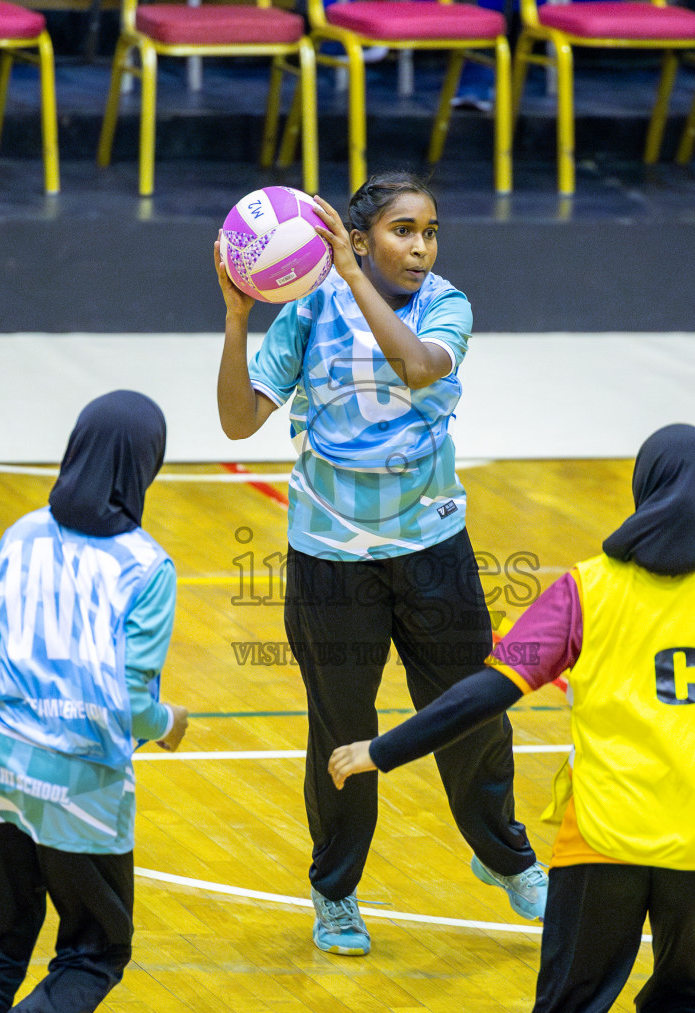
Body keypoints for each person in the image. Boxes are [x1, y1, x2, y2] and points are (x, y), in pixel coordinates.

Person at [329, 424, 695, 1013]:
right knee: (690, 1007)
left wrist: (384, 749)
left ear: (644, 487)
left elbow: (488, 692)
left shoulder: (586, 589)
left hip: (606, 841)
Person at [215, 172, 547, 957]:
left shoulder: (446, 305)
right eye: (404, 230)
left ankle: (505, 860)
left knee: (472, 711)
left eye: (429, 231)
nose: (422, 247)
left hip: (432, 546)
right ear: (358, 238)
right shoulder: (306, 309)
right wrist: (236, 321)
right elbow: (236, 423)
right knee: (341, 729)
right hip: (330, 558)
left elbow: (418, 368)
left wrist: (354, 277)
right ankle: (336, 894)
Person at [0, 390, 191, 1013]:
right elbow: (131, 702)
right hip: (82, 783)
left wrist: (12, 688)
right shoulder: (146, 566)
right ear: (146, 466)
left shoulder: (21, 533)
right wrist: (167, 724)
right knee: (94, 953)